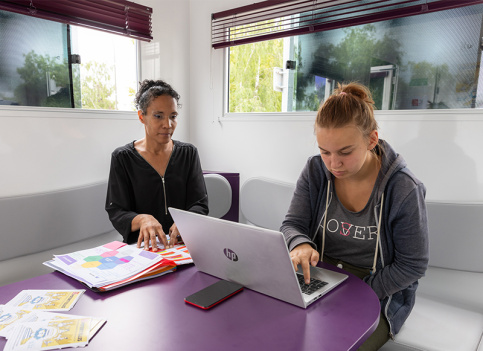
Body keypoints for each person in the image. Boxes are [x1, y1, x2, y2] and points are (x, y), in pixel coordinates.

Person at [280, 82, 429, 350]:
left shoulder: (404, 189)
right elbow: (293, 224)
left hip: (375, 290)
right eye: (325, 151)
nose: (333, 163)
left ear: (371, 139)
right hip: (317, 276)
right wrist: (299, 243)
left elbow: (412, 265)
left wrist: (357, 290)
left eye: (345, 152)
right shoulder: (315, 171)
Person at [106, 79, 208, 251]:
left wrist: (186, 221)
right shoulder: (122, 158)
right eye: (158, 116)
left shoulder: (188, 153)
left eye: (173, 116)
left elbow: (200, 204)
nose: (167, 125)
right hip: (143, 250)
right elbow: (117, 211)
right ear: (141, 116)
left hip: (183, 247)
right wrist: (143, 219)